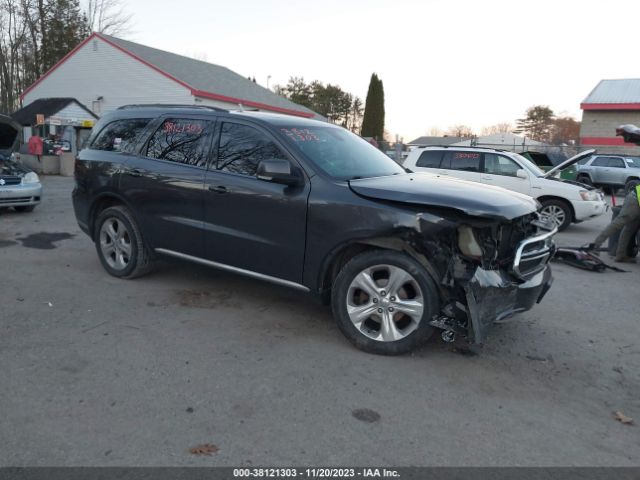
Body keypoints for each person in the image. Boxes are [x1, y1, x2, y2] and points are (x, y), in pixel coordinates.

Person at [589, 185, 640, 263]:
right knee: (617, 224)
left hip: (635, 199)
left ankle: (621, 255)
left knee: (629, 229)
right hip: (635, 201)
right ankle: (595, 246)